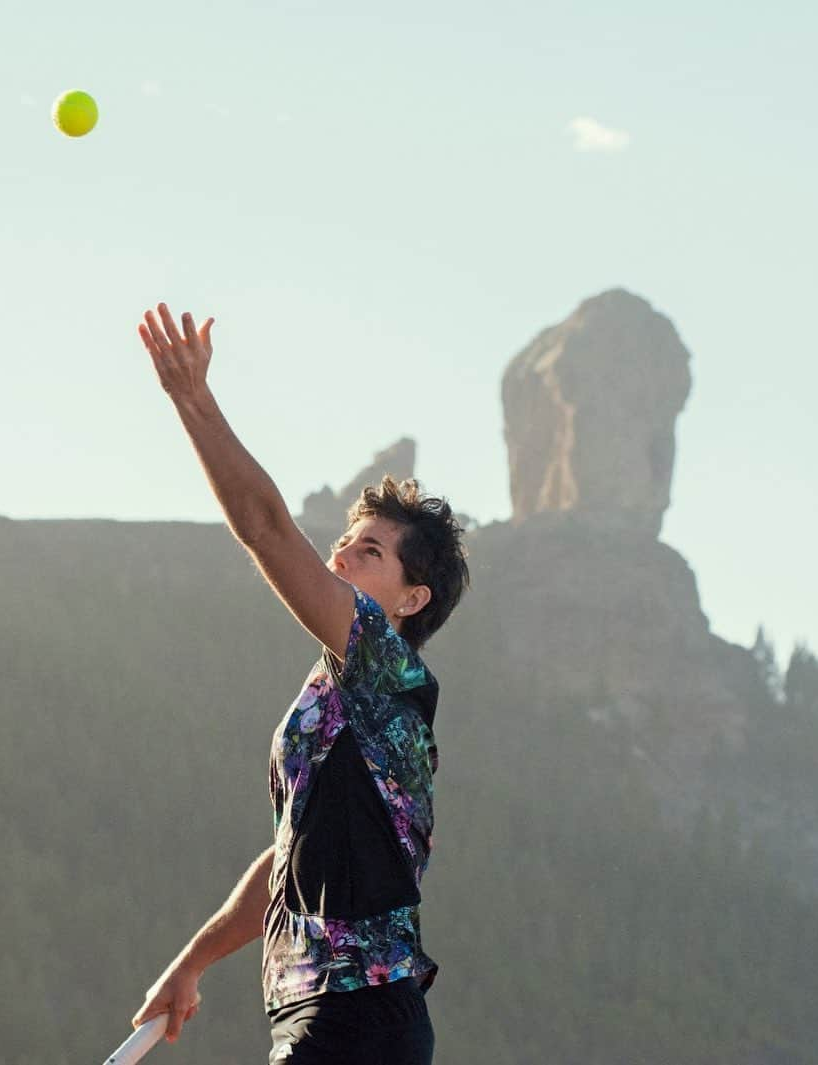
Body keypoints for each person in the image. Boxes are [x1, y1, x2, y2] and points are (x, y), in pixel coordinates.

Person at [131, 303, 469, 1064]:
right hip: (320, 1013)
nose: (344, 552)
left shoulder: (385, 666)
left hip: (359, 1016)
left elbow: (264, 525)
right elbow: (290, 850)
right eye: (347, 539)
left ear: (411, 599)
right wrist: (192, 960)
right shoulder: (336, 692)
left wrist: (193, 399)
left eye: (372, 551)